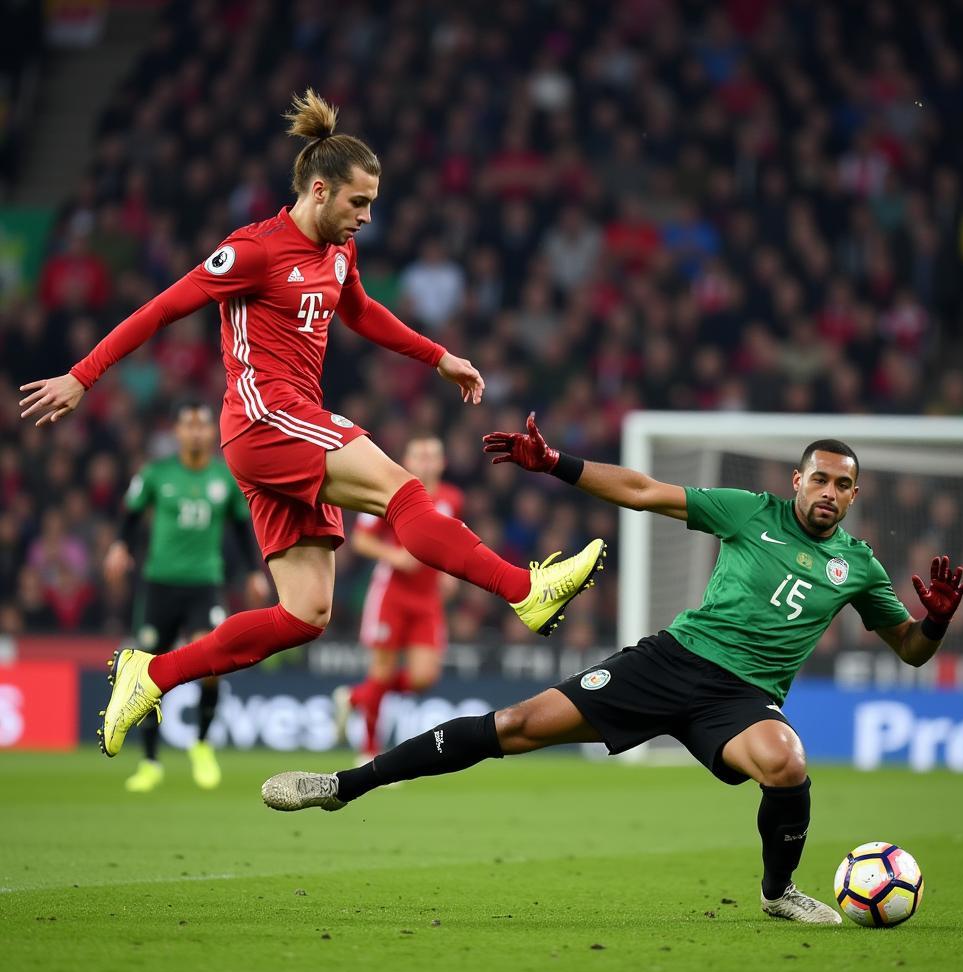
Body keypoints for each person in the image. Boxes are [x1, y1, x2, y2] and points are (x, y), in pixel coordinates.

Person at [18, 90, 606, 760]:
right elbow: (160, 309)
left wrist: (438, 356)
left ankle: (150, 675)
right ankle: (524, 589)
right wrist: (82, 375)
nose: (366, 217)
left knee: (304, 617)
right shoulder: (253, 251)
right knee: (402, 491)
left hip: (290, 429)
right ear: (319, 190)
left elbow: (361, 312)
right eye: (358, 203)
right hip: (265, 419)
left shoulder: (338, 253)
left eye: (373, 205)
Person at [262, 415, 963, 926]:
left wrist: (934, 621)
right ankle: (345, 785)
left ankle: (778, 891)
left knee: (786, 762)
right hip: (670, 662)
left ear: (853, 497)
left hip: (743, 699)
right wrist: (557, 464)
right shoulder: (747, 512)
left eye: (842, 485)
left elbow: (909, 649)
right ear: (797, 480)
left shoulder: (861, 567)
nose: (828, 491)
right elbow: (642, 490)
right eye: (819, 477)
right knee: (513, 724)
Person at [104, 399, 271, 792]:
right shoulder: (157, 474)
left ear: (210, 432)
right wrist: (119, 547)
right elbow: (130, 515)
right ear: (177, 432)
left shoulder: (224, 478)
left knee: (212, 664)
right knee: (148, 668)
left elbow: (241, 528)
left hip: (204, 585)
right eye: (188, 425)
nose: (195, 432)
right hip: (160, 584)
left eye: (201, 425)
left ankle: (201, 744)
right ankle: (149, 761)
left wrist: (252, 572)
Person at [335, 432, 462, 761]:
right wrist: (395, 557)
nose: (426, 461)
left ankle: (356, 698)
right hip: (391, 593)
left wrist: (449, 572)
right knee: (382, 672)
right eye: (419, 455)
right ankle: (369, 751)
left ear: (442, 463)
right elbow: (361, 539)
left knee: (423, 678)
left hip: (427, 598)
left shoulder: (451, 498)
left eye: (432, 455)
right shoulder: (390, 492)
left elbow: (449, 540)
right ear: (406, 461)